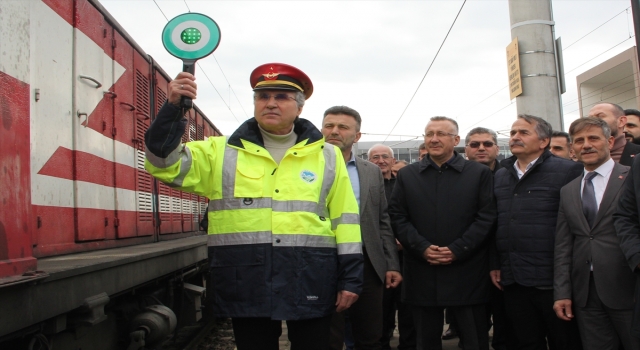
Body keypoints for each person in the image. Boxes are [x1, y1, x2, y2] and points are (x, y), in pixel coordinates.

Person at [144, 63, 363, 350]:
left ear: (299, 107)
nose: (270, 103)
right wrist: (173, 109)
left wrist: (351, 278)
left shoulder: (329, 156)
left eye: (281, 97)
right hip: (247, 275)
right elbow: (164, 164)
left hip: (310, 274)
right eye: (263, 96)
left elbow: (345, 220)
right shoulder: (218, 151)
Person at [390, 116, 497, 350]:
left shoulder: (478, 174)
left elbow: (486, 217)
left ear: (456, 140)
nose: (434, 139)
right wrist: (422, 248)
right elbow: (398, 216)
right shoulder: (408, 175)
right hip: (421, 269)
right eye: (429, 134)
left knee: (473, 339)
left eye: (441, 134)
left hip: (466, 270)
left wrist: (458, 249)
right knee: (424, 339)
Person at [491, 114, 583, 350]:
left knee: (564, 341)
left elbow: (575, 226)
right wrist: (496, 263)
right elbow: (496, 223)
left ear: (544, 141)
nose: (515, 137)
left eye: (523, 132)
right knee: (526, 341)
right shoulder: (502, 175)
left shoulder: (569, 171)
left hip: (553, 280)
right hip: (514, 279)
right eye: (512, 133)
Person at [553, 117, 638, 350]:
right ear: (573, 148)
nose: (586, 145)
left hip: (628, 288)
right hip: (585, 294)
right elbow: (563, 245)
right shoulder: (568, 190)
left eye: (593, 138)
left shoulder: (632, 177)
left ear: (610, 142)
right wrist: (562, 292)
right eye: (579, 141)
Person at [322, 106, 402, 350]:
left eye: (343, 127)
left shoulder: (371, 172)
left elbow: (382, 221)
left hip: (368, 261)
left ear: (357, 136)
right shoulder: (307, 166)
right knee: (327, 334)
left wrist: (390, 264)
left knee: (369, 334)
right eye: (329, 126)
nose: (334, 131)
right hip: (323, 260)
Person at [464, 127, 516, 350]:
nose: (481, 148)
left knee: (507, 318)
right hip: (468, 258)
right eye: (475, 145)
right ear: (466, 149)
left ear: (497, 147)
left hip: (506, 257)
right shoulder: (456, 175)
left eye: (487, 144)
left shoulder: (511, 173)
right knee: (473, 323)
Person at [369, 144, 417, 350]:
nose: (380, 160)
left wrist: (405, 239)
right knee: (381, 307)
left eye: (385, 157)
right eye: (375, 157)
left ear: (392, 160)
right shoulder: (366, 185)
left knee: (407, 306)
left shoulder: (404, 184)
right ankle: (382, 343)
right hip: (378, 256)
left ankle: (408, 344)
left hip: (407, 255)